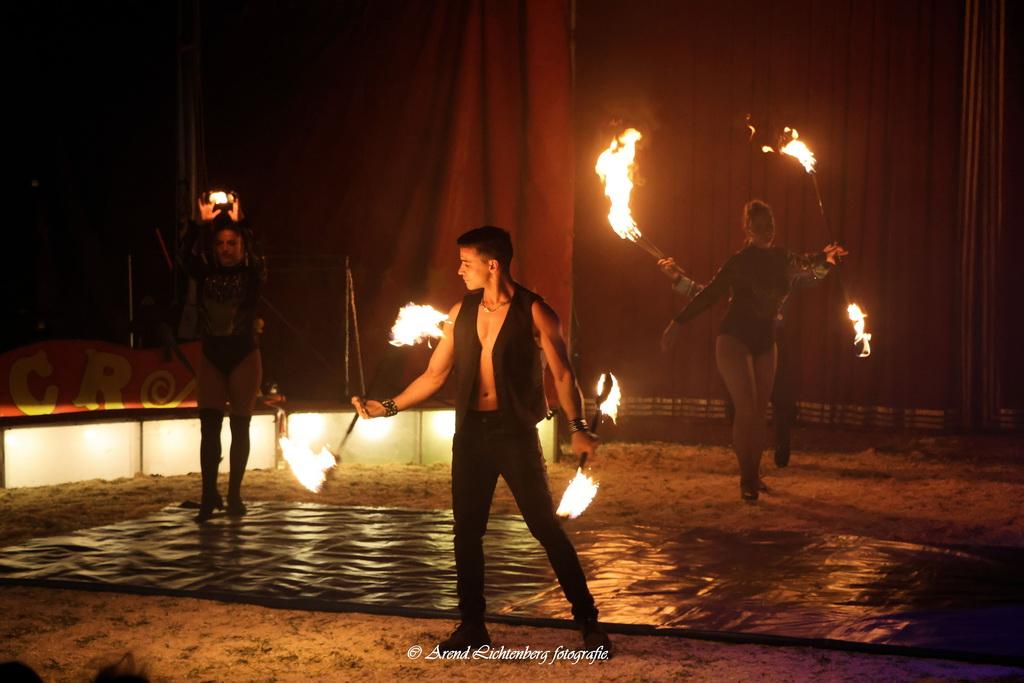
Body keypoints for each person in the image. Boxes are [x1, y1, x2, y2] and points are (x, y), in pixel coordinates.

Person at [352, 226, 612, 655]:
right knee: (466, 532)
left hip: (514, 434)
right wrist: (388, 407)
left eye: (466, 263)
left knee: (544, 527)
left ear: (492, 265)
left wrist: (578, 428)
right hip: (471, 434)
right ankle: (472, 626)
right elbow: (434, 374)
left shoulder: (535, 311)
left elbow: (563, 374)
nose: (459, 271)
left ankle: (588, 622)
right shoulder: (462, 311)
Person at [661, 200, 845, 502]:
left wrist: (826, 257)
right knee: (746, 408)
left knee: (759, 412)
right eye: (759, 226)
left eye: (769, 225)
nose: (766, 231)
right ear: (748, 229)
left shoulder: (783, 257)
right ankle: (746, 479)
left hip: (765, 340)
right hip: (734, 338)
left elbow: (808, 265)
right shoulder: (739, 262)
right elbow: (710, 294)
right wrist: (677, 322)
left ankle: (754, 475)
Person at [657, 251, 815, 468]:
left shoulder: (784, 276)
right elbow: (705, 294)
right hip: (740, 341)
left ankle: (781, 445)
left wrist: (825, 261)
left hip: (772, 342)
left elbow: (813, 275)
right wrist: (677, 278)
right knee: (738, 406)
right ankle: (747, 461)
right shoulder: (740, 282)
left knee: (782, 399)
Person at [179, 193, 267, 522]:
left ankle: (234, 495)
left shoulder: (253, 273)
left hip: (243, 354)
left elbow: (259, 253)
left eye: (232, 243)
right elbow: (183, 257)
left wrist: (243, 221)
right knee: (209, 429)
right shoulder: (205, 272)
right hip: (212, 355)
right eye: (220, 244)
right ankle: (208, 495)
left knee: (240, 427)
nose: (225, 249)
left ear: (242, 246)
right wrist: (198, 224)